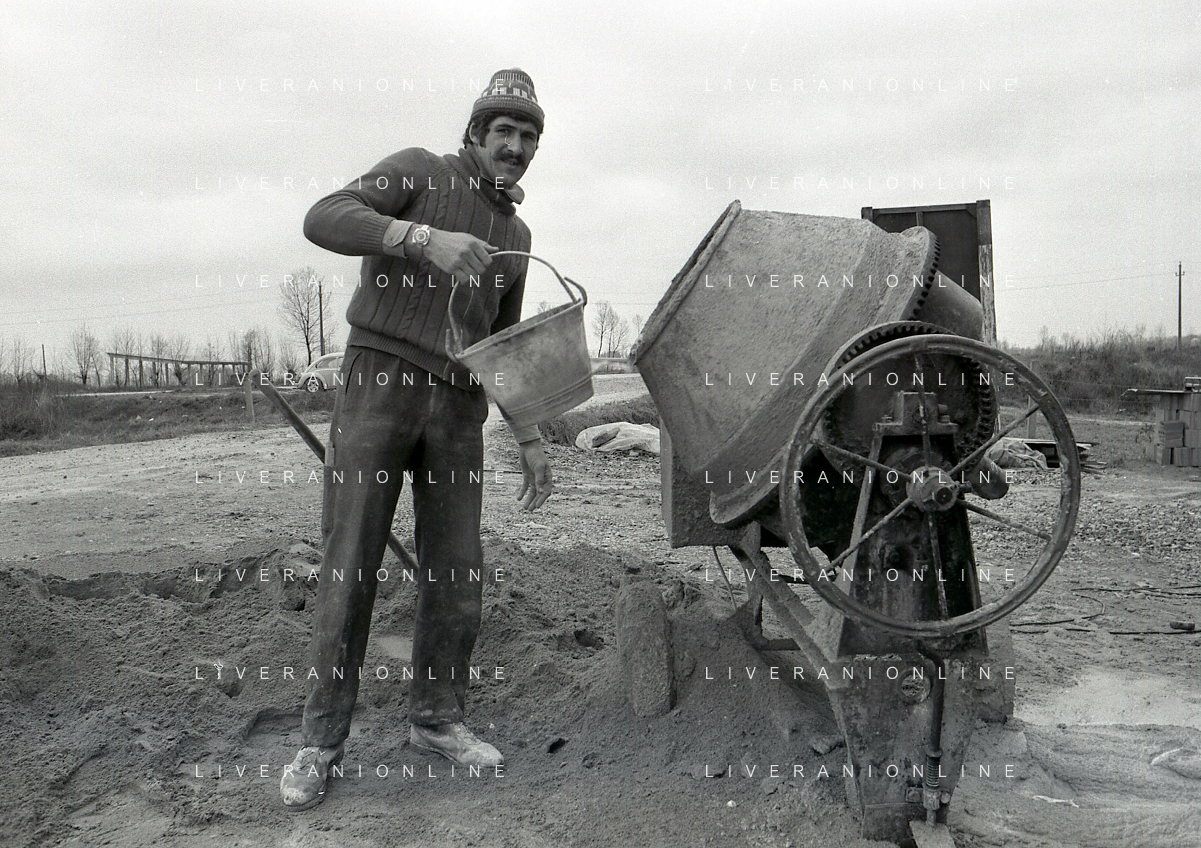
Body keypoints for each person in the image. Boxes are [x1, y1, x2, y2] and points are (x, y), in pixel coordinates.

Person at [279, 68, 553, 809]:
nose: (516, 146)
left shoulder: (516, 236)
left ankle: (436, 719)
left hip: (458, 408)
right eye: (504, 131)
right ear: (476, 133)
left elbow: (501, 344)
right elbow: (324, 216)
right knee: (351, 559)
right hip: (381, 382)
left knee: (458, 569)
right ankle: (320, 740)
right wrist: (418, 239)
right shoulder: (419, 172)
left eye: (528, 136)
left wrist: (528, 435)